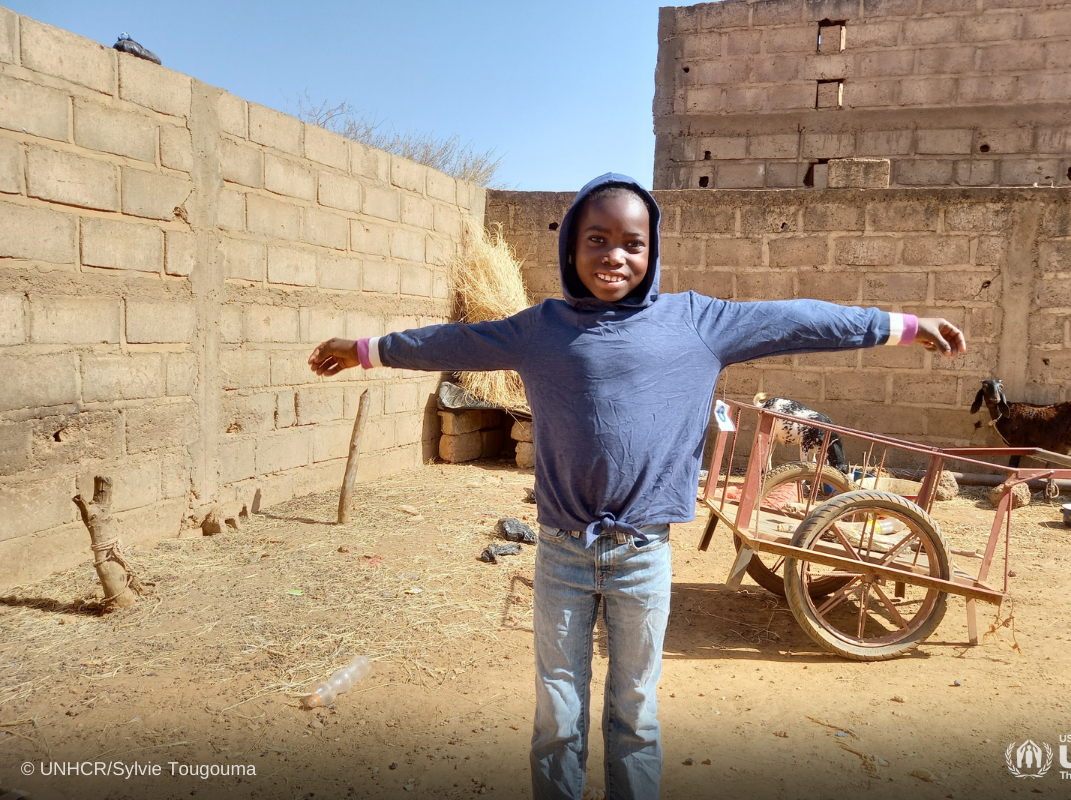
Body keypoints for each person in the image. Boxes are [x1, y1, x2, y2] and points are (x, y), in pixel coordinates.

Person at [308, 173, 966, 800]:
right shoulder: (541, 328)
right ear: (571, 246)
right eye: (596, 239)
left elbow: (798, 319)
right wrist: (367, 349)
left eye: (632, 242)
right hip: (562, 554)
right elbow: (453, 342)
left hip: (642, 556)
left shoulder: (698, 322)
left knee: (635, 713)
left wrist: (901, 327)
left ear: (652, 252)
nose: (614, 255)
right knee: (557, 714)